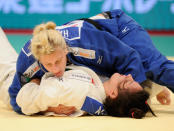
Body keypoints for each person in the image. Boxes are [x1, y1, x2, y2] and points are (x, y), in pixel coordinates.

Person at [7, 9, 173, 114]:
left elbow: (129, 58)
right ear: (38, 60)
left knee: (155, 69)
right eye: (48, 65)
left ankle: (154, 82)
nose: (56, 69)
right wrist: (48, 108)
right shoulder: (27, 62)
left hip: (119, 30)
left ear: (66, 50)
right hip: (101, 53)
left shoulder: (85, 46)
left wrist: (145, 90)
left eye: (58, 61)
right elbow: (15, 98)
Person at [0, 27, 155, 119]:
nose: (129, 75)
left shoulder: (75, 90)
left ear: (114, 93)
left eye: (127, 81)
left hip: (10, 82)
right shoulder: (109, 98)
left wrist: (44, 102)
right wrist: (158, 89)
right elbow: (135, 94)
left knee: (6, 62)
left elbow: (23, 100)